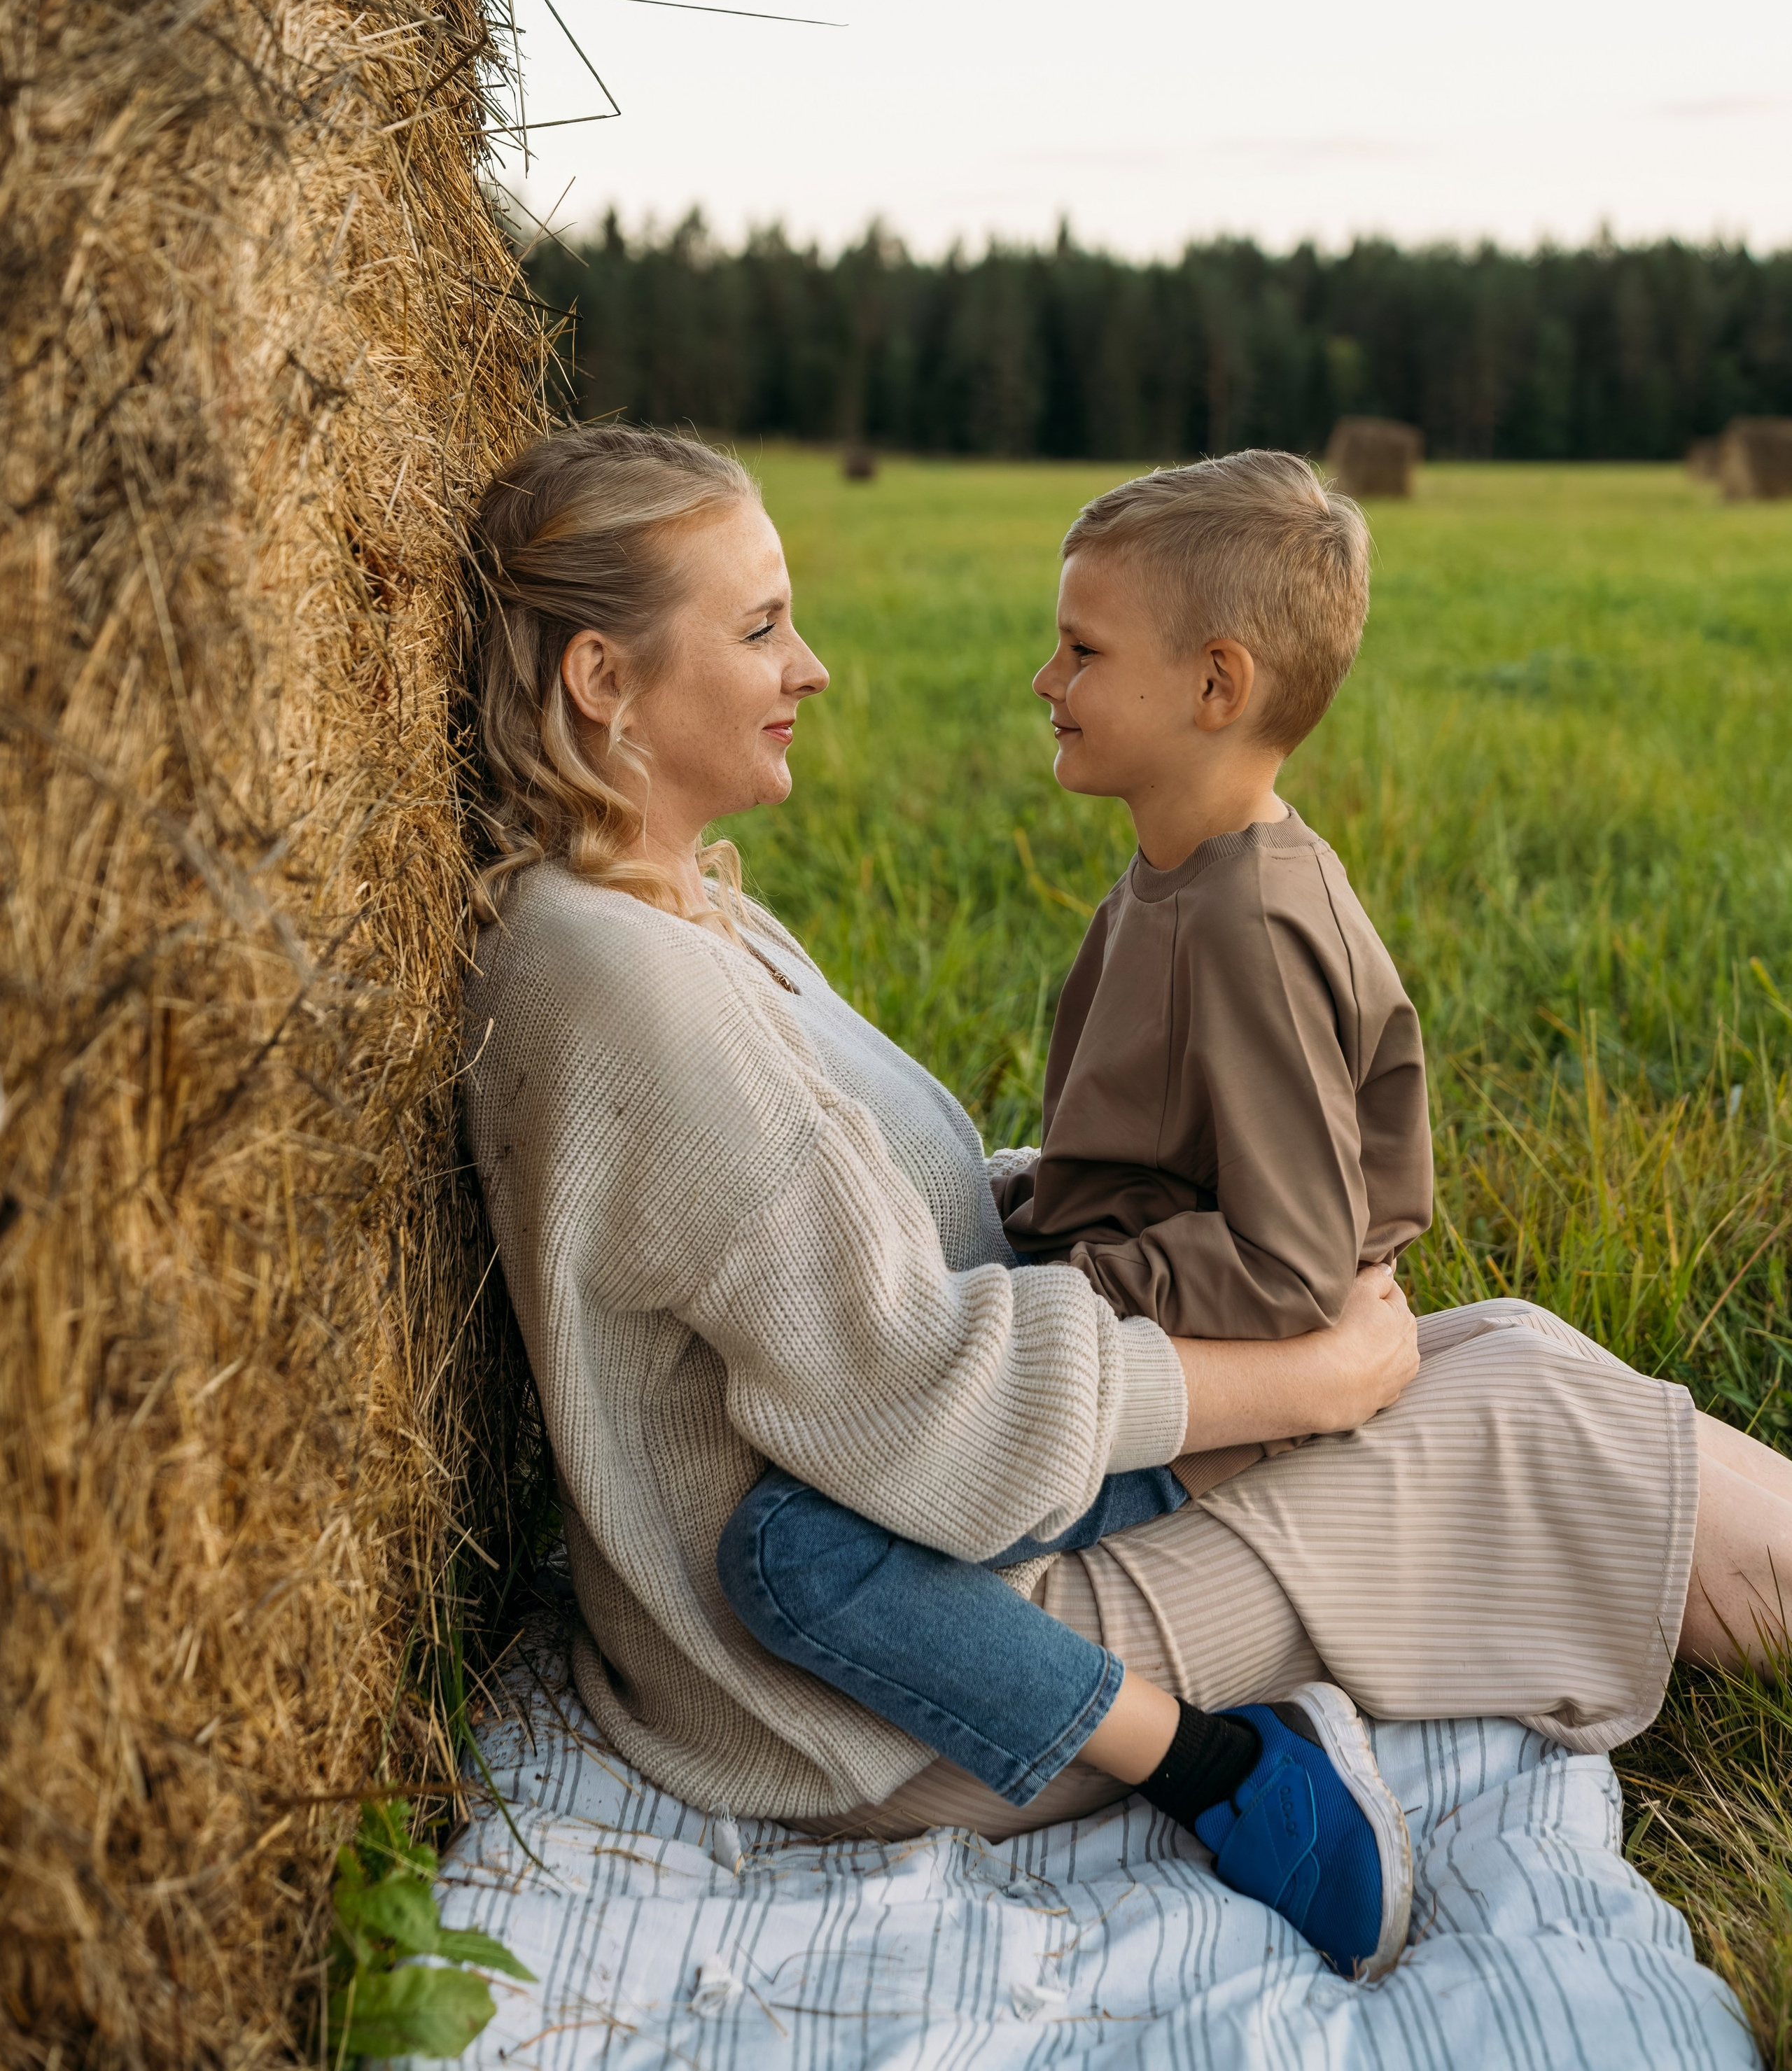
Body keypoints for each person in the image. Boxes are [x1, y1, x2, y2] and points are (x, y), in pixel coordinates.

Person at [461, 423, 1792, 1991]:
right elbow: (905, 1398)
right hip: (851, 1691)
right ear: (602, 681)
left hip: (921, 1549)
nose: (809, 666)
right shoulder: (619, 981)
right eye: (757, 629)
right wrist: (1301, 1378)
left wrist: (1060, 1219)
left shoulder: (674, 911)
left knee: (1505, 1351)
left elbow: (848, 1249)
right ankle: (1237, 1769)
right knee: (1534, 1424)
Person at [718, 451, 1434, 1972]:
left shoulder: (1243, 922)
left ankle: (1234, 1770)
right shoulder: (1173, 876)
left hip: (1212, 1394)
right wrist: (1029, 1204)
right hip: (1128, 1324)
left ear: (1215, 685)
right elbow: (1154, 1154)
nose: (1043, 678)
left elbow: (1292, 1263)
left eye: (1083, 650)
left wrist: (1065, 1294)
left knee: (794, 1556)